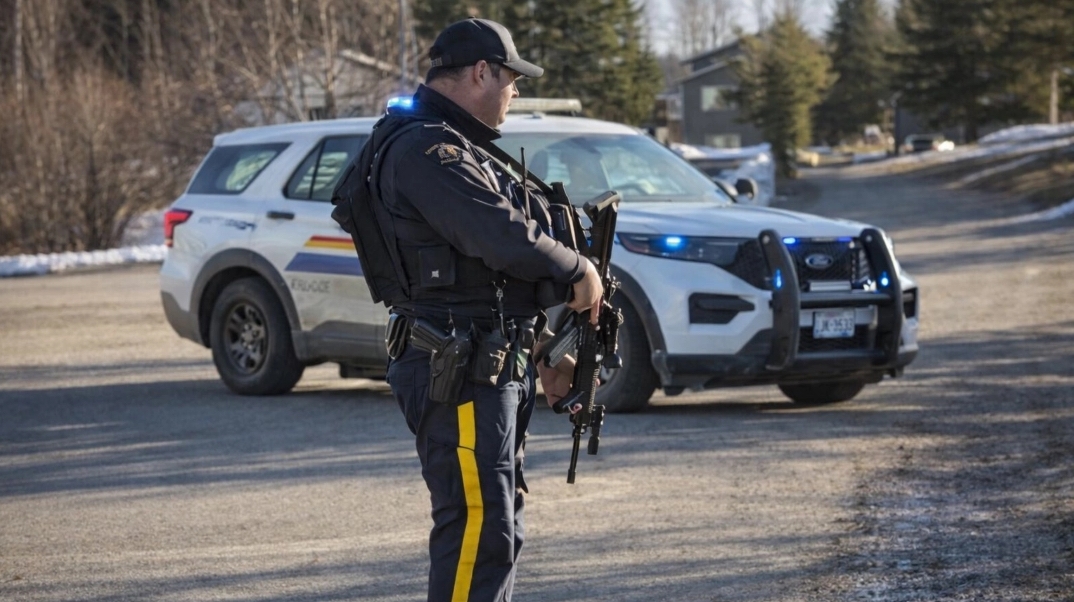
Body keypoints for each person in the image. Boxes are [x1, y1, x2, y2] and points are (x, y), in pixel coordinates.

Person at [371, 17, 603, 602]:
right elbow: (500, 236)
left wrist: (543, 356)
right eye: (511, 79)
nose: (515, 92)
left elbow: (480, 284)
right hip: (458, 370)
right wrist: (578, 270)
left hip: (480, 361)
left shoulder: (450, 143)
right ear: (481, 72)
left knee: (495, 524)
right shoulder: (428, 146)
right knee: (478, 525)